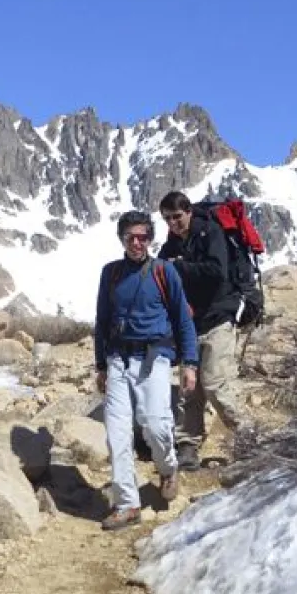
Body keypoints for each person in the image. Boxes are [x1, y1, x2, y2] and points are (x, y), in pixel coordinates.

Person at [94, 210, 198, 531]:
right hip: (117, 361)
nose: (137, 243)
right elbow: (102, 321)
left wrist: (189, 364)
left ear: (151, 239)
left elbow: (183, 320)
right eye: (130, 237)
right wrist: (100, 365)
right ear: (121, 239)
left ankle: (167, 468)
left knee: (155, 425)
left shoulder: (164, 272)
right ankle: (127, 504)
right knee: (117, 434)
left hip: (154, 360)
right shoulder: (110, 274)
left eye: (143, 237)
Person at [158, 190, 244, 471]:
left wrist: (180, 268)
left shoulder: (211, 233)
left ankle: (249, 436)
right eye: (167, 219)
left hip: (219, 317)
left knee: (216, 383)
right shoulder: (170, 246)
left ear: (189, 212)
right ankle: (187, 446)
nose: (173, 223)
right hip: (189, 324)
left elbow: (217, 271)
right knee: (189, 388)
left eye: (177, 217)